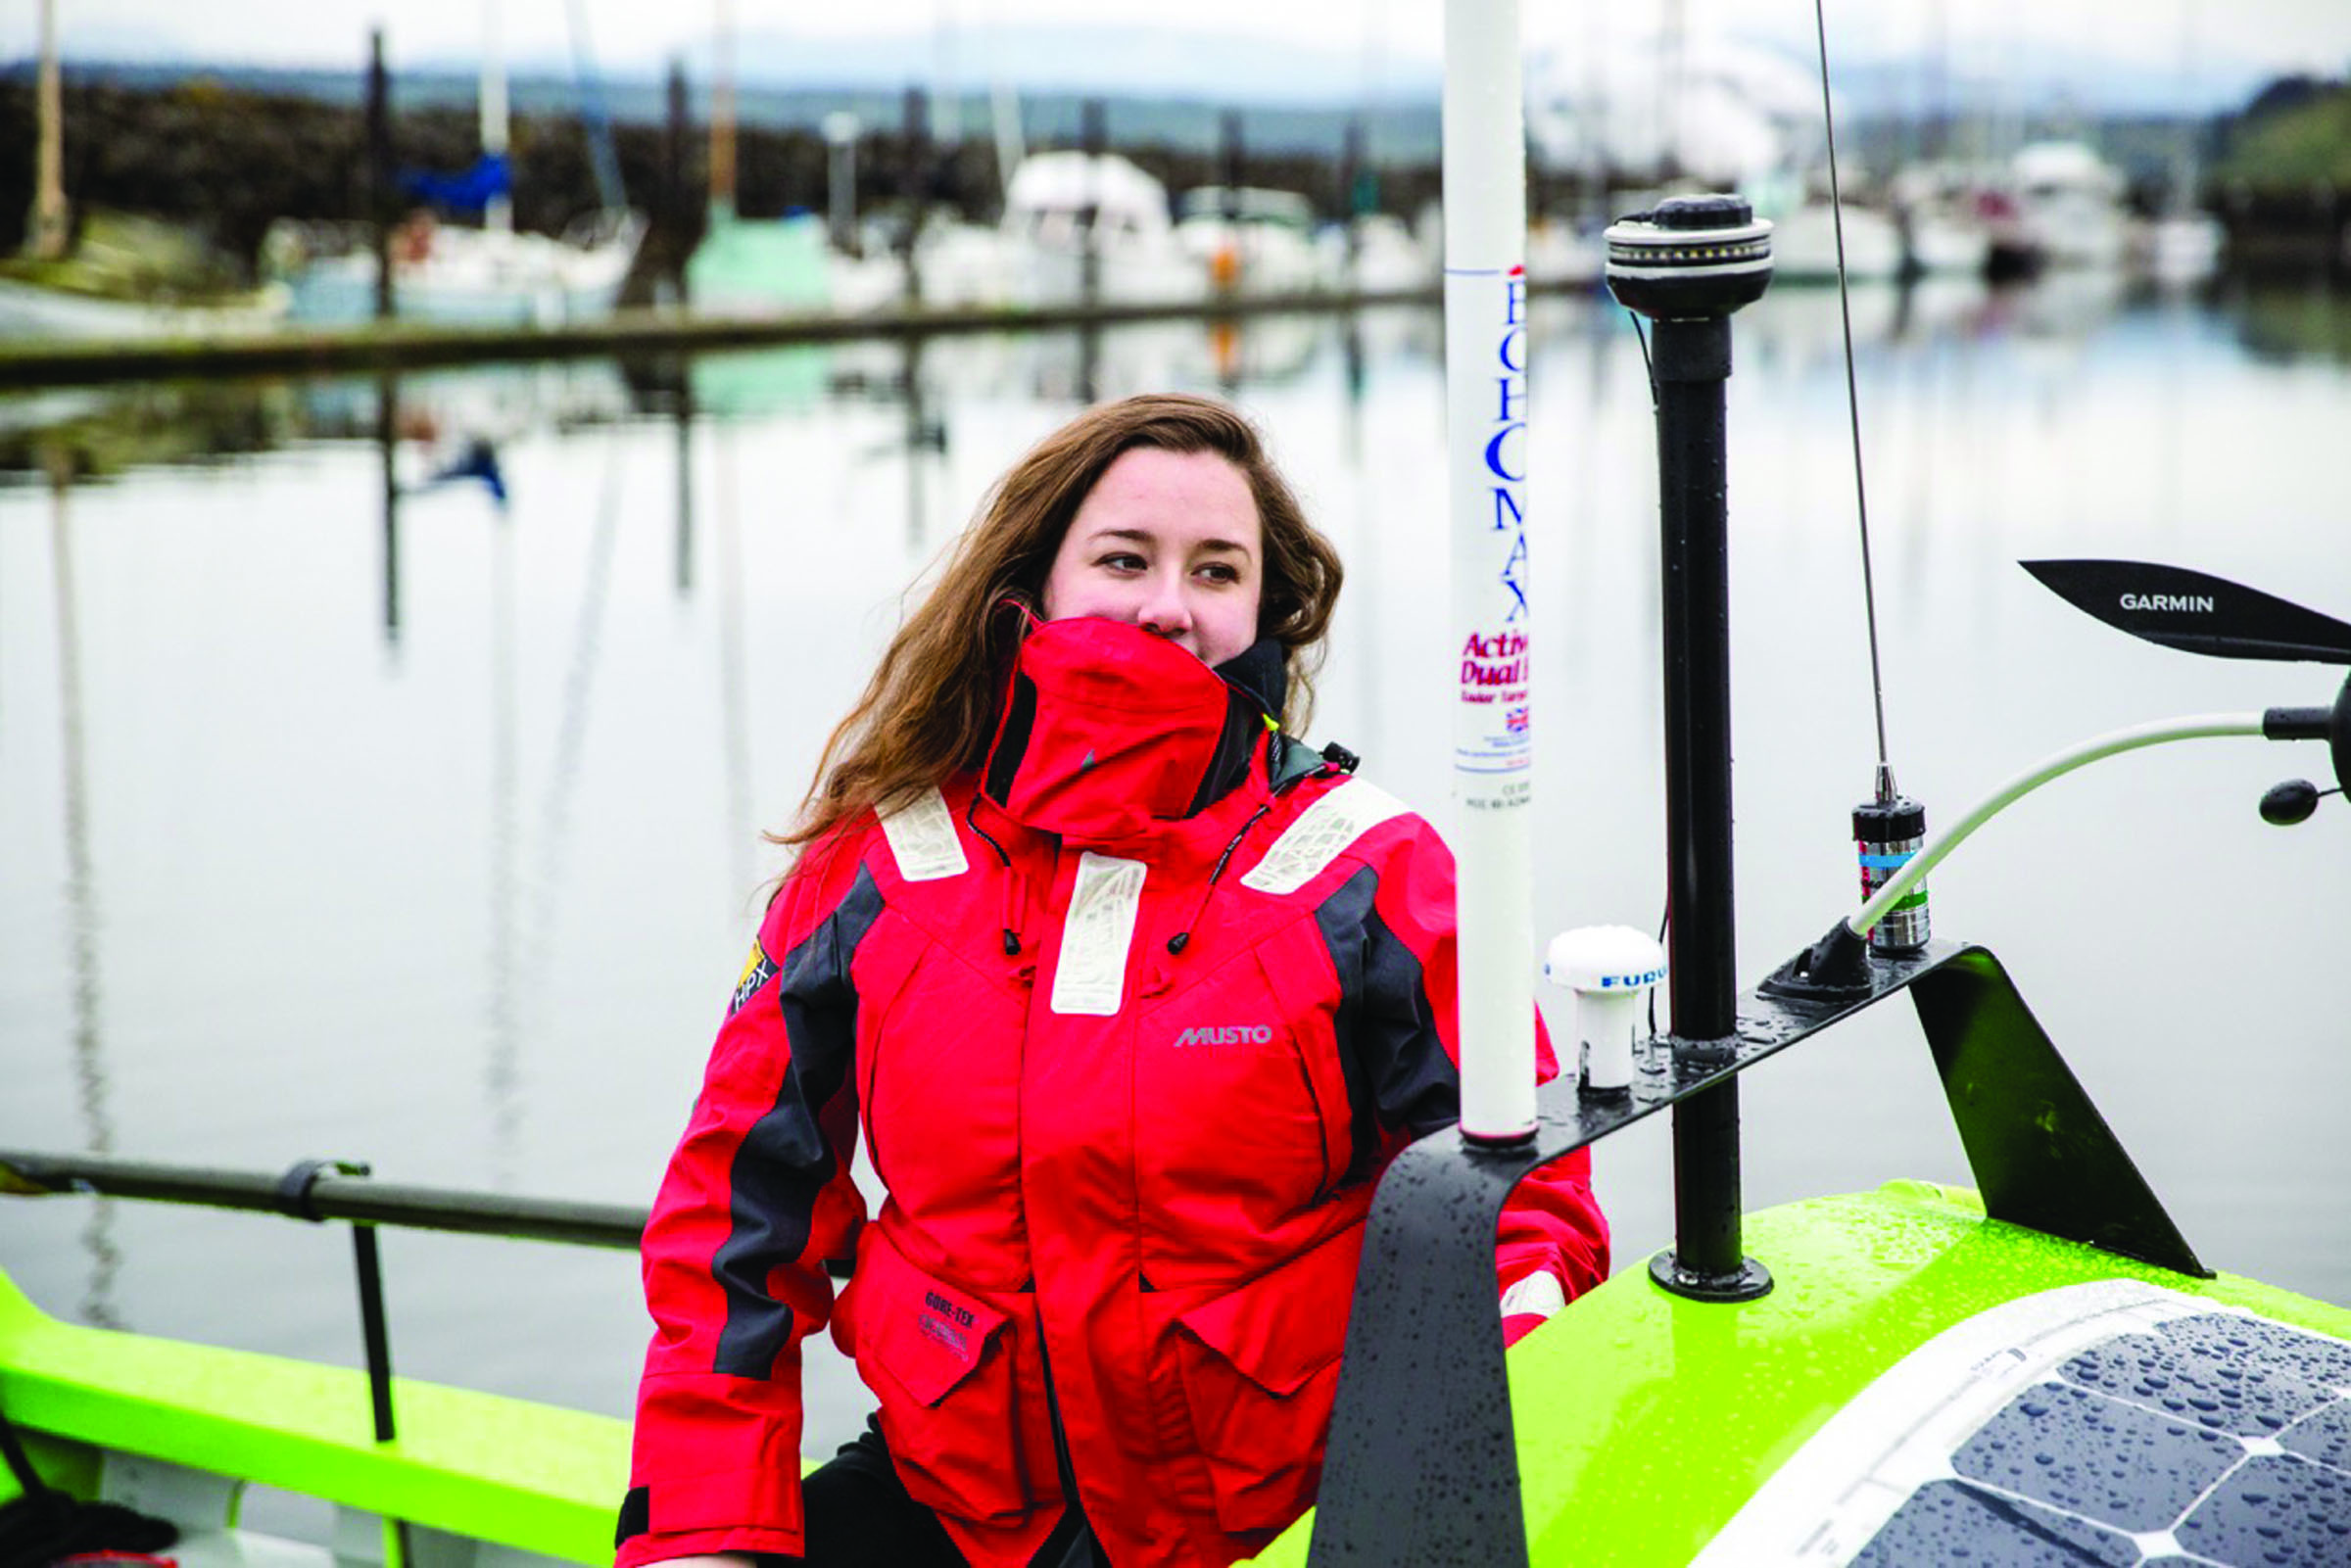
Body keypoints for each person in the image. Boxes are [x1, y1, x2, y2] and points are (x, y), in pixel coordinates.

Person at [617, 394, 1609, 1568]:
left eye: (1216, 569)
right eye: (1124, 559)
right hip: (962, 1515)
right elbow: (736, 1217)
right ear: (1031, 586)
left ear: (1261, 610)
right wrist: (703, 1528)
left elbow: (1521, 1194)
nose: (1167, 606)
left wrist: (1485, 1410)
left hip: (1288, 1526)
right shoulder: (873, 871)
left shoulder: (1376, 875)